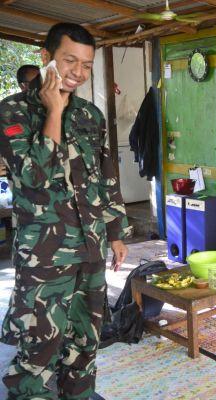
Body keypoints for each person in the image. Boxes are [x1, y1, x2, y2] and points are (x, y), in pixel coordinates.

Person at [0, 23, 131, 399]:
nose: (78, 72)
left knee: (86, 339)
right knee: (40, 344)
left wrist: (116, 232)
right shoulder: (11, 111)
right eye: (69, 60)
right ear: (46, 57)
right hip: (44, 254)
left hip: (91, 247)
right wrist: (54, 112)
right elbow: (35, 178)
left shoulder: (91, 115)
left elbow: (106, 176)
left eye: (86, 65)